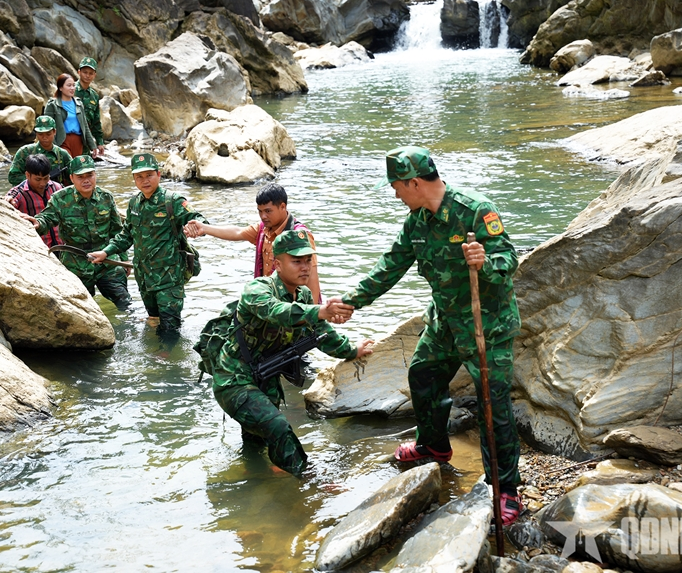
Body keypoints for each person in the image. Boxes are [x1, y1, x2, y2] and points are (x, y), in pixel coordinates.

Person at [335, 145, 523, 525]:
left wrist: (484, 262)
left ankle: (506, 490)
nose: (394, 194)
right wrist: (353, 301)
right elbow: (392, 264)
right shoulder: (417, 221)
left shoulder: (474, 210)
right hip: (444, 323)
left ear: (414, 183)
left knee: (493, 407)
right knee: (423, 374)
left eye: (396, 187)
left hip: (486, 325)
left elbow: (509, 260)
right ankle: (433, 447)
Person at [210, 230, 373, 477]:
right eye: (297, 261)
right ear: (277, 264)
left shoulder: (304, 295)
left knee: (257, 443)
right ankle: (308, 482)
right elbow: (278, 311)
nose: (305, 267)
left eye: (308, 260)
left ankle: (254, 483)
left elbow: (320, 333)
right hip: (233, 379)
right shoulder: (257, 289)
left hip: (265, 378)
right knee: (278, 427)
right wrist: (319, 311)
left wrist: (352, 350)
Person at [88, 154, 207, 334]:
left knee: (170, 330)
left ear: (159, 175)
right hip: (144, 279)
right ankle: (156, 354)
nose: (145, 180)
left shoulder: (172, 201)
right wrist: (106, 252)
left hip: (169, 280)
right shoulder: (134, 203)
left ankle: (167, 358)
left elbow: (198, 219)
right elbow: (126, 235)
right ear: (134, 179)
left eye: (149, 175)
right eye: (139, 176)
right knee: (153, 322)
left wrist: (195, 228)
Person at [22, 155, 131, 310]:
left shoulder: (106, 197)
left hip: (107, 261)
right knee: (82, 309)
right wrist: (37, 222)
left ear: (95, 175)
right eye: (80, 177)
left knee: (125, 303)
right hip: (75, 264)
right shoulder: (60, 198)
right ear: (72, 178)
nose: (86, 180)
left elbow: (117, 231)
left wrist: (124, 260)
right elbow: (47, 217)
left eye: (89, 175)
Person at [183, 185, 322, 304]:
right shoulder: (263, 229)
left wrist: (314, 318)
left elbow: (311, 279)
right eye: (260, 211)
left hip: (292, 306)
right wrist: (204, 228)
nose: (263, 216)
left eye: (268, 211)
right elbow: (238, 232)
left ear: (283, 207)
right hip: (268, 301)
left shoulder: (300, 236)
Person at [5, 154, 64, 248]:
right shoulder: (19, 193)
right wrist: (9, 202)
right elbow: (8, 201)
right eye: (38, 179)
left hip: (61, 246)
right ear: (27, 175)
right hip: (38, 247)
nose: (43, 183)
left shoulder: (57, 188)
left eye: (46, 178)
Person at [7, 115, 72, 187]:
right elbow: (13, 177)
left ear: (54, 132)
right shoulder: (25, 152)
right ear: (36, 133)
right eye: (40, 134)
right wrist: (35, 180)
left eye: (48, 134)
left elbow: (73, 177)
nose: (44, 137)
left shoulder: (62, 154)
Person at [44, 73, 97, 159]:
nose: (72, 88)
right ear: (61, 88)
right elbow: (47, 127)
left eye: (73, 85)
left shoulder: (79, 103)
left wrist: (92, 145)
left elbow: (85, 126)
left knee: (77, 169)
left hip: (78, 141)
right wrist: (53, 146)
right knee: (67, 167)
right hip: (62, 141)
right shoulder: (52, 105)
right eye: (69, 85)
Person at [75, 57, 105, 157]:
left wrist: (100, 142)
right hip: (71, 136)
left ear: (94, 75)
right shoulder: (70, 90)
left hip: (86, 140)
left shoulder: (94, 96)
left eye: (91, 73)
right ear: (79, 72)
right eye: (85, 72)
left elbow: (96, 121)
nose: (87, 75)